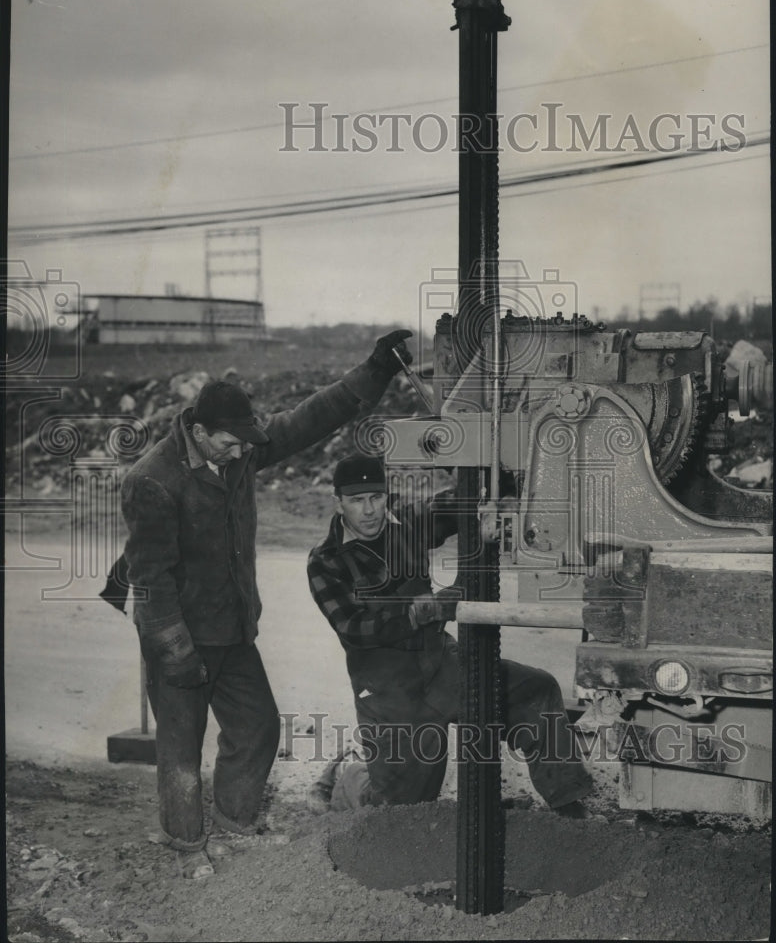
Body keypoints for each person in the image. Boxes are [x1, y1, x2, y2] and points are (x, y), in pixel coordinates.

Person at [117, 330, 412, 878]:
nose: (242, 453)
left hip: (232, 629)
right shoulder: (153, 482)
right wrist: (175, 652)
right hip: (179, 635)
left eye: (245, 445)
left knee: (257, 728)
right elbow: (149, 579)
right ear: (199, 433)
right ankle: (185, 847)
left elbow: (307, 419)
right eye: (230, 445)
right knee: (182, 749)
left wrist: (375, 370)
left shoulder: (238, 448)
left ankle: (234, 824)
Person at [306, 454, 593, 815]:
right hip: (389, 692)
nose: (369, 511)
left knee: (536, 691)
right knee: (398, 809)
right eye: (357, 501)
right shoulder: (325, 560)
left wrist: (496, 480)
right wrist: (422, 612)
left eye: (376, 498)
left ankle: (569, 807)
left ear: (386, 495)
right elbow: (354, 628)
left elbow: (459, 501)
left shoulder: (407, 524)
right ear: (338, 502)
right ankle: (347, 777)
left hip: (441, 664)